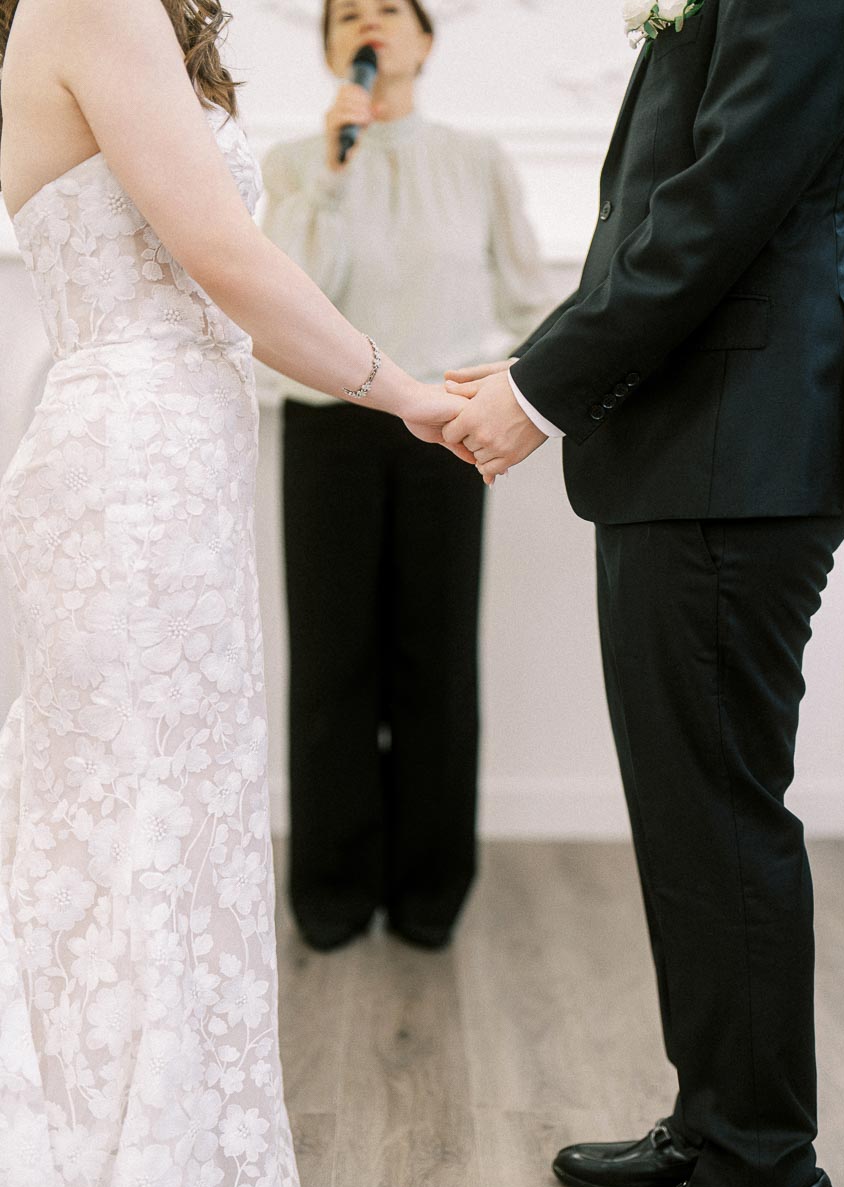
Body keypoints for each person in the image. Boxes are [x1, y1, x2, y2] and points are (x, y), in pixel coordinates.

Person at [0, 0, 466, 1187]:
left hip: (164, 448)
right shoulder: (90, 0)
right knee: (135, 815)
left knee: (169, 812)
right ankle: (113, 1176)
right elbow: (224, 259)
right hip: (135, 458)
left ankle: (169, 1158)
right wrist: (413, 394)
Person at [444, 0, 844, 1187]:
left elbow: (720, 205)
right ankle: (719, 1123)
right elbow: (659, 211)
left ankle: (765, 1182)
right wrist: (540, 361)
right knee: (688, 812)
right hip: (694, 443)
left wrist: (540, 392)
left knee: (719, 814)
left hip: (738, 446)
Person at [261, 0, 553, 952]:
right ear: (331, 48)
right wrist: (335, 174)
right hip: (328, 430)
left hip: (449, 434)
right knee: (331, 664)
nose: (369, 23)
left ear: (425, 39)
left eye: (389, 8)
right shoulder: (296, 167)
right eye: (348, 14)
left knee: (434, 661)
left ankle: (431, 894)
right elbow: (294, 305)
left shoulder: (477, 160)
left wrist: (510, 392)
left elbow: (527, 300)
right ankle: (334, 892)